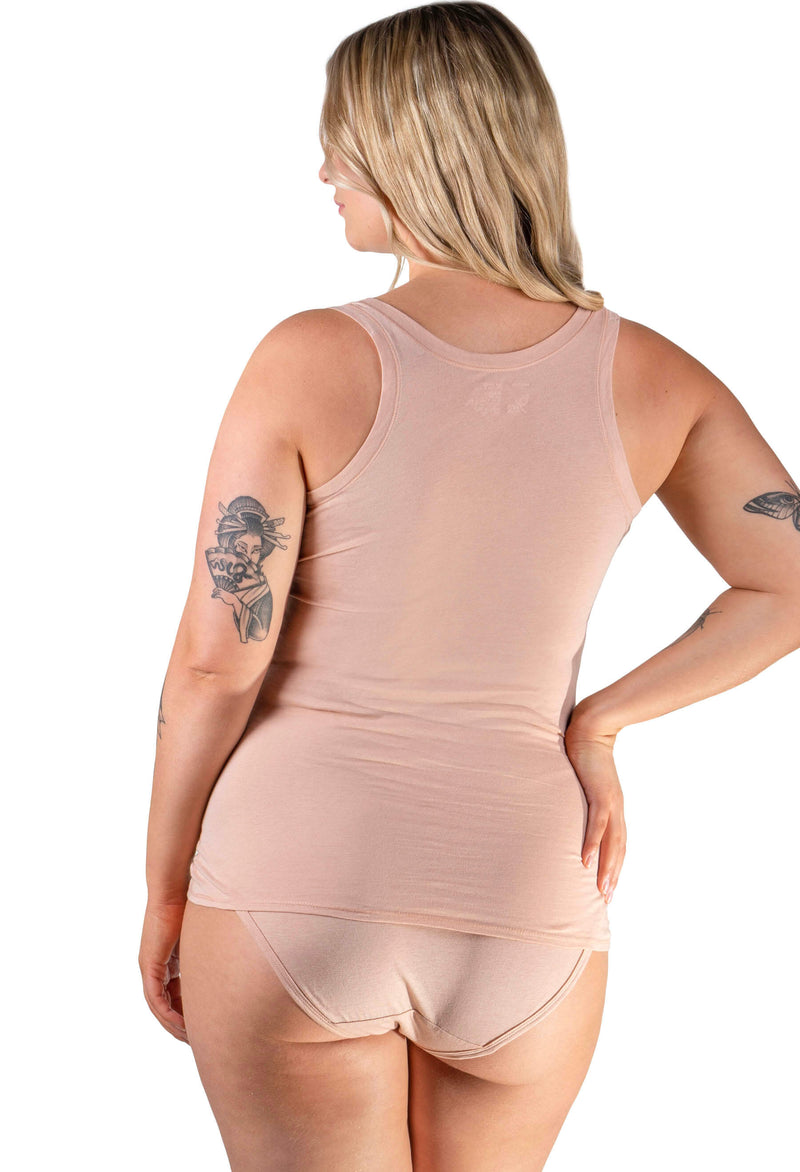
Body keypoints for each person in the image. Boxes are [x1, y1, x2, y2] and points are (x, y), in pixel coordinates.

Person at [138, 3, 800, 1169]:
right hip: (527, 892)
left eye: (342, 141)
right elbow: (785, 582)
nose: (324, 170)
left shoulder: (306, 355)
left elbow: (215, 661)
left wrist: (163, 888)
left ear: (409, 149)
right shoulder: (655, 376)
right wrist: (597, 723)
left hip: (296, 875)